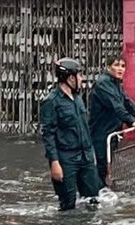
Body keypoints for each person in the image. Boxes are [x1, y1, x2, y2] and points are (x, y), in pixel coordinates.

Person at [39, 57, 101, 211]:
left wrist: (91, 153)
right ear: (70, 78)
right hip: (66, 159)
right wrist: (54, 163)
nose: (81, 79)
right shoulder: (51, 101)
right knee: (68, 204)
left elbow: (85, 128)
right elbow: (48, 135)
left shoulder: (78, 99)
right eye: (79, 76)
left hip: (85, 157)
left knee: (93, 200)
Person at [88, 54, 135, 188]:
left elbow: (128, 103)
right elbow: (117, 106)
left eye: (123, 66)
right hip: (99, 135)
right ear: (108, 67)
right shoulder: (103, 83)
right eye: (116, 65)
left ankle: (102, 193)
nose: (120, 69)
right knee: (100, 167)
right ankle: (95, 198)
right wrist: (132, 122)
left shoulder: (116, 84)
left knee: (107, 166)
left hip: (111, 133)